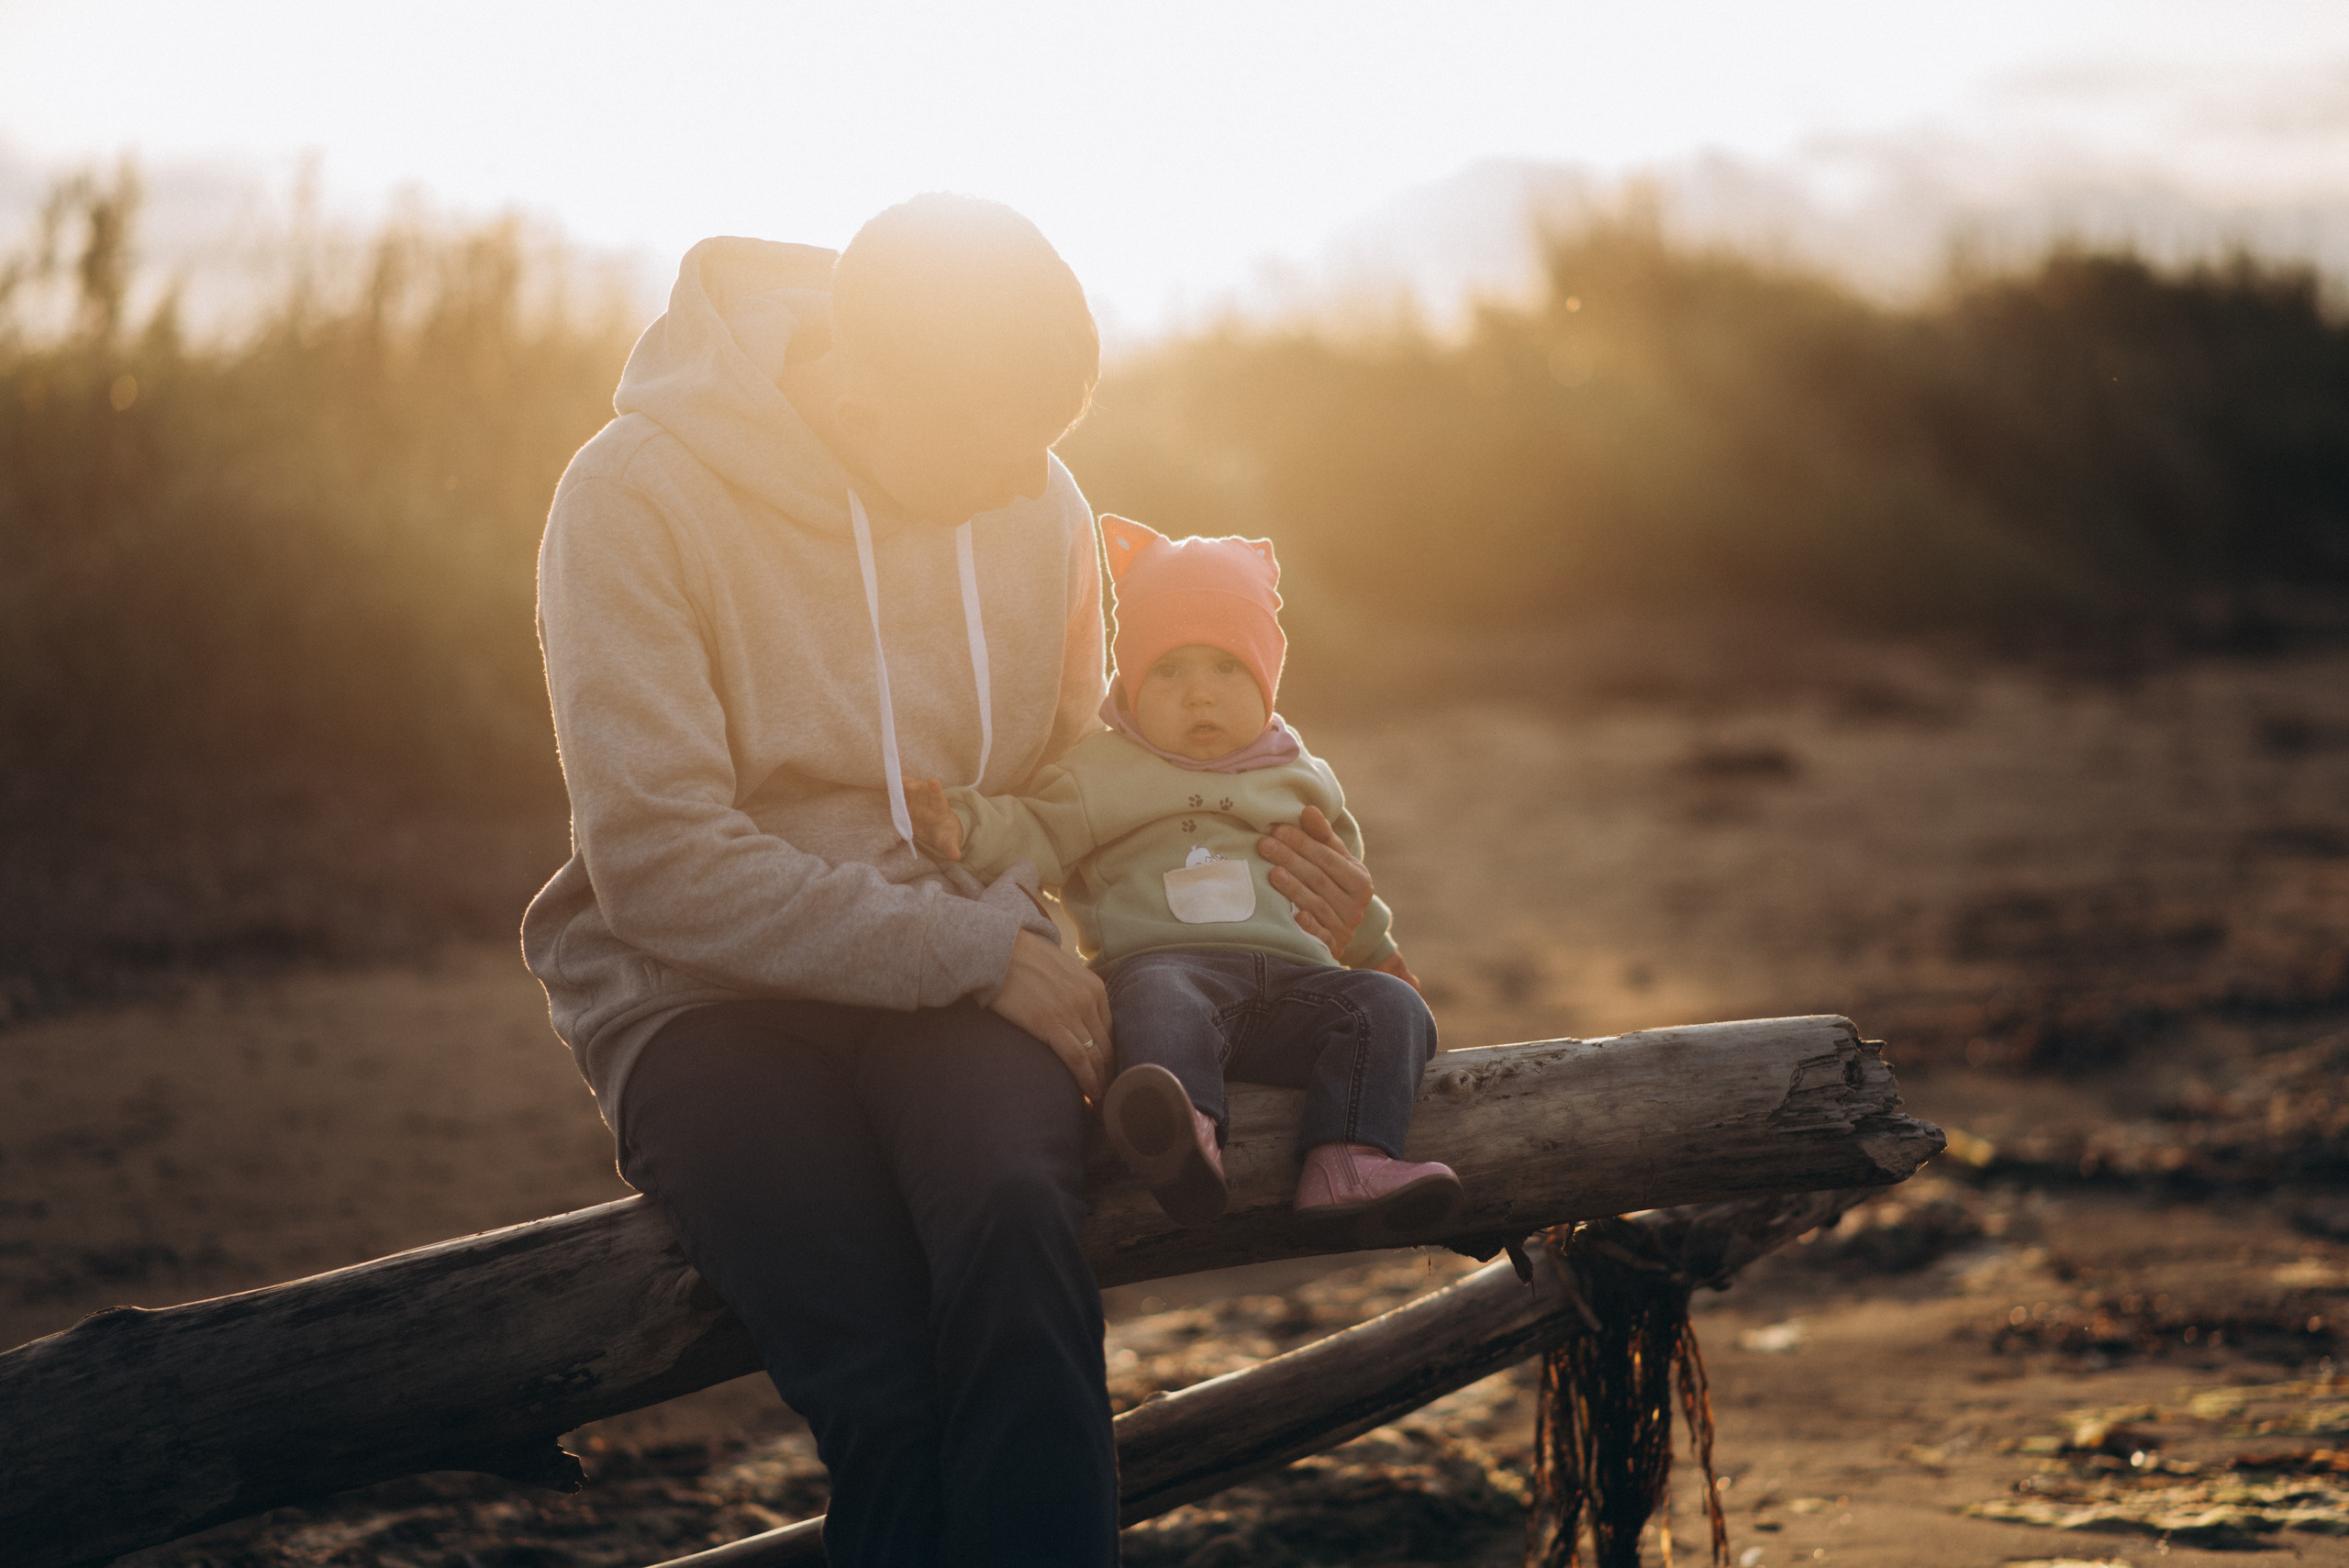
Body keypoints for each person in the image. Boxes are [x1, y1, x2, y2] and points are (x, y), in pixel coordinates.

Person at [520, 195, 1386, 1568]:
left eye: (1039, 444)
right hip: (699, 995)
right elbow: (659, 862)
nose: (1020, 484)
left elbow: (1063, 792)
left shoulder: (1031, 489)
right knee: (885, 1380)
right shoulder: (633, 496)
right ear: (860, 398)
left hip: (972, 960)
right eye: (987, 448)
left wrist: (1275, 895)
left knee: (1017, 1267)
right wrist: (975, 957)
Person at [905, 516, 1461, 1247]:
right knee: (1159, 993)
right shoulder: (1101, 772)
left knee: (1388, 1008)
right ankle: (1180, 1127)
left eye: (1227, 668)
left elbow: (1343, 882)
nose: (1199, 694)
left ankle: (1348, 1157)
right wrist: (962, 827)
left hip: (1296, 988)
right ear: (1131, 687)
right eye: (1169, 671)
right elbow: (1031, 831)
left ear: (1267, 679)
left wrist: (1381, 956)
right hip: (1171, 974)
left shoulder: (1301, 774)